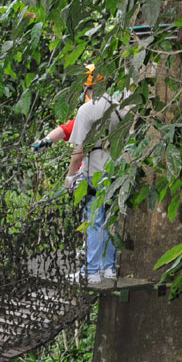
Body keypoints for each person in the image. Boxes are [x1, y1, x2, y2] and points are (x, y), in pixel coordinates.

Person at [65, 72, 127, 284]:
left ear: (87, 88)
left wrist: (70, 176)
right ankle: (108, 268)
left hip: (94, 171)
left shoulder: (87, 109)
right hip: (116, 170)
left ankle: (90, 272)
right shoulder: (120, 105)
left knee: (93, 220)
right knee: (109, 219)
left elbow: (78, 151)